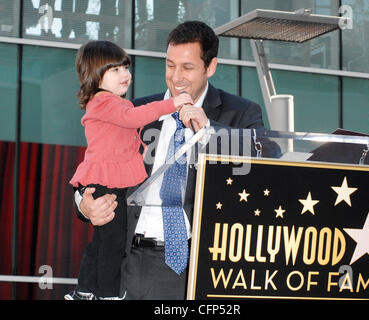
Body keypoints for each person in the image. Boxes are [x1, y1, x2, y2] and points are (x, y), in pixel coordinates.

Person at [75, 21, 278, 299]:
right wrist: (84, 204)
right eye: (170, 65)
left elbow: (270, 157)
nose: (177, 77)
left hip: (193, 267)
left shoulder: (239, 113)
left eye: (187, 67)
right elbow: (96, 160)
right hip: (126, 263)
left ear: (211, 66)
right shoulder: (132, 110)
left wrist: (210, 131)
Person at [65, 40, 193, 300]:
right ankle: (106, 293)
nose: (125, 75)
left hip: (109, 178)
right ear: (94, 74)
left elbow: (124, 131)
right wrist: (172, 105)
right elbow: (132, 118)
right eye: (115, 70)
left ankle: (85, 290)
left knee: (102, 241)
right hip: (106, 180)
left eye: (126, 67)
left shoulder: (111, 102)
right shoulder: (107, 102)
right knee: (110, 240)